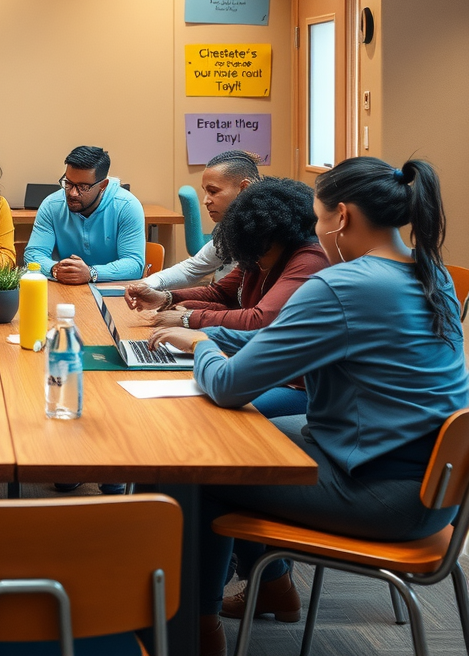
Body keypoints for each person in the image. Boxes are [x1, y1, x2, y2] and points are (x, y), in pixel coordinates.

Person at [147, 158, 468, 656]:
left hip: (382, 493)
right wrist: (207, 332)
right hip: (436, 491)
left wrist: (200, 347)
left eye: (318, 220)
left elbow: (230, 385)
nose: (315, 234)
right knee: (242, 436)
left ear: (340, 217)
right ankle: (273, 587)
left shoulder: (341, 285)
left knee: (194, 469)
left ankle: (194, 631)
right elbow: (278, 340)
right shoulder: (432, 271)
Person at [130, 177, 328, 418]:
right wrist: (165, 298)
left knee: (206, 414)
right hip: (259, 368)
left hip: (296, 385)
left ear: (273, 237)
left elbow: (260, 320)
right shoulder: (257, 254)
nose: (252, 262)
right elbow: (221, 292)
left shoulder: (309, 260)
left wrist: (189, 320)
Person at [131, 150, 260, 292]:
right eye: (205, 192)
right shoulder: (230, 230)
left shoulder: (267, 239)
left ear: (243, 188)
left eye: (213, 191)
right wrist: (148, 283)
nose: (205, 201)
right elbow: (191, 269)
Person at [24, 145, 145, 283]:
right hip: (66, 288)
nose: (72, 193)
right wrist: (55, 269)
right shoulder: (52, 205)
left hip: (113, 292)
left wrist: (91, 273)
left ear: (103, 185)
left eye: (83, 187)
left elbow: (134, 264)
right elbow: (33, 254)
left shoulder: (127, 206)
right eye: (68, 183)